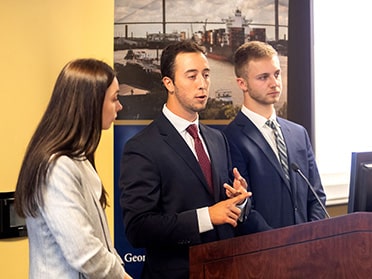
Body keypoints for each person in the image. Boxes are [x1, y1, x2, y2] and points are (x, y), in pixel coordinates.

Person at [119, 40, 268, 279]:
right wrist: (207, 216)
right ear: (168, 83)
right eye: (192, 76)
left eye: (206, 75)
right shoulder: (142, 147)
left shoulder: (217, 139)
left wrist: (239, 201)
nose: (203, 84)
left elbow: (228, 208)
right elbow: (139, 229)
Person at [14, 58, 132, 279]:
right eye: (115, 99)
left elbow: (100, 242)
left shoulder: (78, 159)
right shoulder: (56, 167)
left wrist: (119, 270)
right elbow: (84, 252)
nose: (119, 106)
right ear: (91, 103)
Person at [223, 41, 327, 229]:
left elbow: (316, 196)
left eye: (277, 74)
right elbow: (245, 208)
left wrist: (313, 238)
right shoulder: (230, 138)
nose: (274, 83)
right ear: (242, 83)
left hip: (309, 248)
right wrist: (282, 246)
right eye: (263, 77)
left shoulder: (299, 133)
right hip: (267, 251)